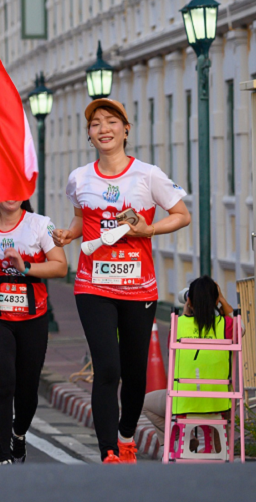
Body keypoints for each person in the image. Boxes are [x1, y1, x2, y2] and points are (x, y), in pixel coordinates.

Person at [53, 98, 191, 464]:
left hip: (138, 286)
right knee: (108, 368)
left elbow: (181, 214)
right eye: (96, 123)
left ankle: (127, 434)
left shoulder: (148, 175)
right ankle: (108, 451)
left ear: (126, 129)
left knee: (134, 373)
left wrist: (150, 229)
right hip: (92, 284)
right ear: (89, 134)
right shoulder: (80, 177)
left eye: (111, 122)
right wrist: (69, 235)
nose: (104, 129)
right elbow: (82, 220)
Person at [0, 200, 68, 464]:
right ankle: (3, 459)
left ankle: (18, 434)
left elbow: (60, 266)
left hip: (33, 316)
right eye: (4, 189)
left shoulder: (40, 224)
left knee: (27, 390)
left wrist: (26, 268)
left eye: (16, 188)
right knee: (3, 384)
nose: (10, 195)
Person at [142, 276, 235, 441]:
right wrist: (221, 300)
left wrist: (185, 315)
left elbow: (173, 353)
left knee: (145, 404)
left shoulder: (179, 325)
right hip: (218, 404)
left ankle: (180, 438)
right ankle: (216, 443)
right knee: (220, 404)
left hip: (183, 404)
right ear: (216, 300)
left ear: (189, 301)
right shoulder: (226, 325)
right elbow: (239, 327)